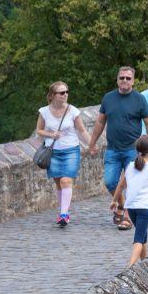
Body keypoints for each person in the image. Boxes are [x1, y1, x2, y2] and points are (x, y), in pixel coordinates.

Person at [89, 66, 148, 231]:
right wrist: (92, 142)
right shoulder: (108, 98)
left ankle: (127, 217)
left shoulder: (139, 99)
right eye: (121, 78)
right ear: (117, 79)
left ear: (133, 81)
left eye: (128, 78)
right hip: (113, 149)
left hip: (133, 150)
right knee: (110, 182)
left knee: (132, 183)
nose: (124, 80)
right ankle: (122, 205)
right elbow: (100, 122)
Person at [35, 81, 91, 227]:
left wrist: (91, 145)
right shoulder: (44, 112)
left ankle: (63, 214)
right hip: (53, 152)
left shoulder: (73, 111)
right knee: (58, 183)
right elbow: (39, 131)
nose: (65, 95)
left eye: (66, 92)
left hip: (71, 150)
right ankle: (63, 211)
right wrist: (51, 134)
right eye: (61, 93)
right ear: (52, 95)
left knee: (66, 181)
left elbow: (82, 130)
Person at [110, 135, 148, 267]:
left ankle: (144, 263)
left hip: (131, 207)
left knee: (143, 234)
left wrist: (114, 201)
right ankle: (130, 266)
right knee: (138, 238)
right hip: (144, 207)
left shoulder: (130, 166)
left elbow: (120, 186)